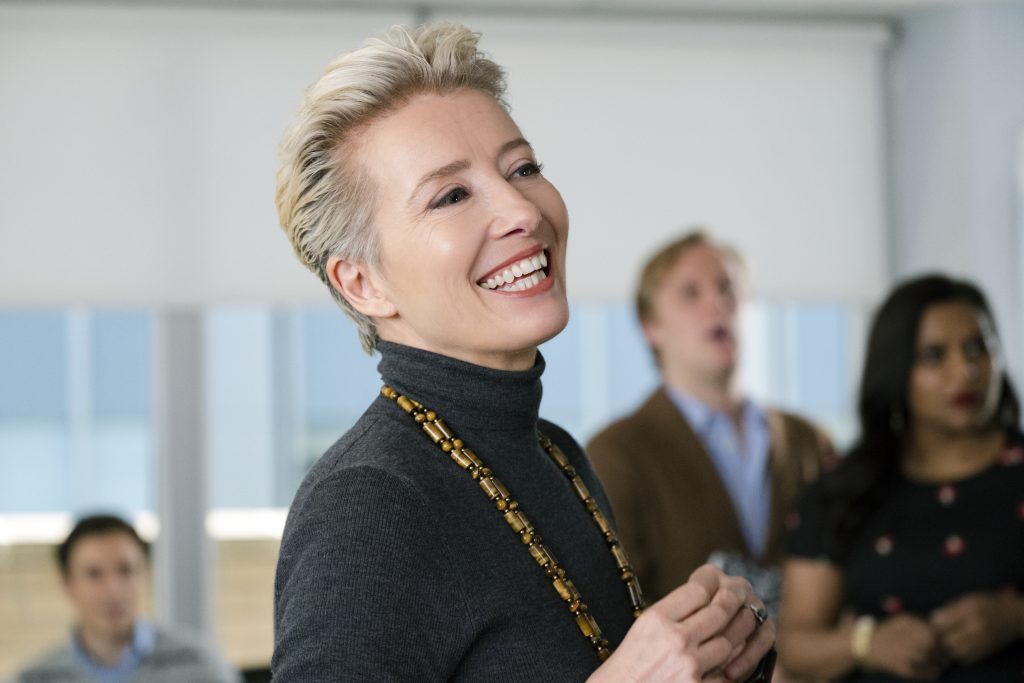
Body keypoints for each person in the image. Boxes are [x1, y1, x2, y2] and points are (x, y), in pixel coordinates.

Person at [271, 22, 776, 682]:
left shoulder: (557, 454)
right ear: (363, 283)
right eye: (452, 195)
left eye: (523, 169)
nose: (522, 210)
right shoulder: (368, 504)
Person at [777, 274, 1024, 681]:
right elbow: (794, 645)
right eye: (934, 356)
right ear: (896, 369)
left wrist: (1014, 618)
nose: (965, 371)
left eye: (977, 348)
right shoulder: (845, 488)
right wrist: (865, 644)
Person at [587, 231, 833, 607]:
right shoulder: (615, 454)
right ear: (650, 327)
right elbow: (615, 604)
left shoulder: (809, 441)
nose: (717, 303)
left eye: (727, 288)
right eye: (691, 293)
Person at [15, 514, 240, 683]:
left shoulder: (200, 665)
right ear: (67, 584)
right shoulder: (35, 678)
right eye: (94, 574)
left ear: (146, 574)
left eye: (126, 570)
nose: (113, 589)